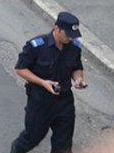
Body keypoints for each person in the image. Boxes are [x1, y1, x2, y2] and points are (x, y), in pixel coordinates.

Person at [10, 11, 87, 153]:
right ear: (57, 29)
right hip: (40, 102)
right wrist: (42, 82)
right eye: (68, 35)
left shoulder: (74, 47)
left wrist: (78, 79)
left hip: (64, 102)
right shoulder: (36, 46)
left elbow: (76, 67)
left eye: (73, 35)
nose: (71, 38)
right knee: (31, 139)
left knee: (63, 146)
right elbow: (20, 69)